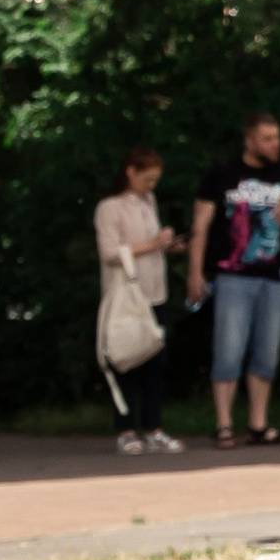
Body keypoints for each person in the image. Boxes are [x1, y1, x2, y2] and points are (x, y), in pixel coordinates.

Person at [187, 115, 280, 446]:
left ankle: (258, 424)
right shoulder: (223, 174)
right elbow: (200, 224)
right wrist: (195, 272)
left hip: (275, 275)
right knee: (228, 348)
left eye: (277, 138)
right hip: (232, 273)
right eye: (268, 138)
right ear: (250, 141)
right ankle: (224, 423)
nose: (275, 144)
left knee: (267, 351)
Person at [95, 147, 183, 456]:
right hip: (126, 297)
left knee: (155, 363)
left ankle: (153, 428)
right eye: (147, 179)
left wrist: (167, 245)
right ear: (130, 172)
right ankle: (125, 429)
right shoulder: (110, 208)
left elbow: (150, 245)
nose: (151, 186)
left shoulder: (149, 202)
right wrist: (151, 244)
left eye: (155, 181)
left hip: (154, 292)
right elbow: (109, 252)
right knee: (127, 361)